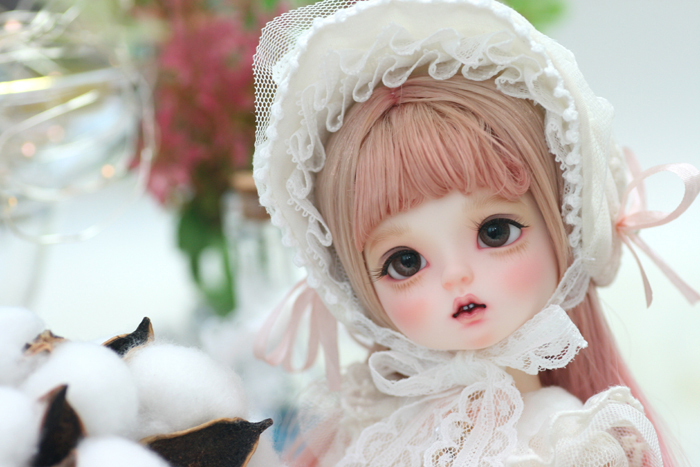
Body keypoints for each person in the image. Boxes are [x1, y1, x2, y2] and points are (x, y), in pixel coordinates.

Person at [251, 0, 700, 465]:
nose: (457, 276)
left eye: (495, 232)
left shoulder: (566, 438)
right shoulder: (369, 421)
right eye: (405, 262)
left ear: (565, 227)